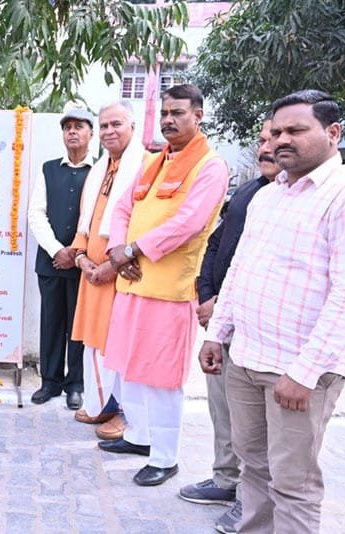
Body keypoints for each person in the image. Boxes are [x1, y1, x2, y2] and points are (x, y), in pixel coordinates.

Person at [200, 90, 345, 532]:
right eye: (276, 132)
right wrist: (217, 333)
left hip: (298, 372)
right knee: (254, 470)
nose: (281, 140)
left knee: (293, 484)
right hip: (246, 360)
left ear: (333, 133)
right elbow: (239, 269)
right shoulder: (268, 196)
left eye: (296, 130)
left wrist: (305, 373)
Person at [98, 84, 228, 487]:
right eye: (165, 113)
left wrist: (131, 251)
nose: (169, 120)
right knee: (129, 370)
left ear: (198, 116)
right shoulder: (154, 161)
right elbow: (123, 208)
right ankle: (138, 436)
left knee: (161, 377)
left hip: (169, 291)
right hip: (132, 285)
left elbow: (188, 223)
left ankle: (165, 457)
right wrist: (119, 251)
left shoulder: (210, 166)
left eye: (178, 113)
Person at [178, 118, 280, 533]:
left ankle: (251, 500)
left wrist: (224, 305)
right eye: (262, 139)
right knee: (223, 408)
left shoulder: (296, 201)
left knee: (257, 426)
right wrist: (206, 295)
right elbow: (216, 245)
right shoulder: (249, 193)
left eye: (277, 138)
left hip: (259, 328)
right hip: (222, 323)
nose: (267, 147)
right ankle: (225, 479)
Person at [70, 101, 147, 439]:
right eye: (103, 126)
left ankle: (127, 413)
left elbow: (144, 225)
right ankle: (102, 404)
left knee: (122, 344)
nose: (109, 131)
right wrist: (81, 258)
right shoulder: (100, 169)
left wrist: (112, 266)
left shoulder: (146, 166)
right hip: (92, 275)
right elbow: (85, 222)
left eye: (117, 124)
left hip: (123, 275)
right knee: (95, 342)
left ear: (133, 126)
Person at [28, 106, 96, 410]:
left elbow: (100, 217)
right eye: (67, 127)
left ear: (91, 133)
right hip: (51, 262)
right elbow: (36, 213)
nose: (72, 132)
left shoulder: (101, 170)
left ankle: (75, 384)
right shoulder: (48, 169)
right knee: (51, 322)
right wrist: (57, 250)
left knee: (78, 325)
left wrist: (77, 252)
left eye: (79, 126)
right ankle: (50, 382)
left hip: (86, 263)